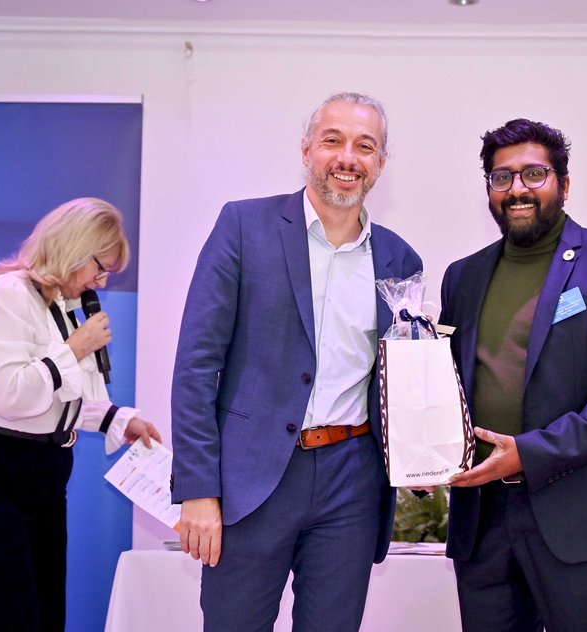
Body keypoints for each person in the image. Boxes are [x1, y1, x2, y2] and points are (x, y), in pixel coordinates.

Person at [171, 92, 422, 631]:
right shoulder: (244, 226)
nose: (347, 157)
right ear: (307, 150)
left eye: (365, 146)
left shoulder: (400, 259)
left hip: (352, 481)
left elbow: (402, 381)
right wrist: (197, 487)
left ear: (381, 163)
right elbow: (196, 366)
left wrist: (423, 456)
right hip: (251, 479)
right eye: (333, 140)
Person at [440, 118, 587, 632]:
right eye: (502, 177)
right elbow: (449, 385)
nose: (517, 189)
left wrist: (530, 453)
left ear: (564, 183)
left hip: (583, 519)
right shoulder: (463, 276)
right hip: (483, 520)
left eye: (533, 174)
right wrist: (421, 455)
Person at [0, 197, 160, 631]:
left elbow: (59, 396)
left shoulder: (58, 303)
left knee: (43, 614)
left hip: (43, 475)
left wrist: (116, 419)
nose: (100, 282)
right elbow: (12, 396)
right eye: (100, 268)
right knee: (0, 617)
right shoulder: (8, 295)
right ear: (74, 249)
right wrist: (75, 348)